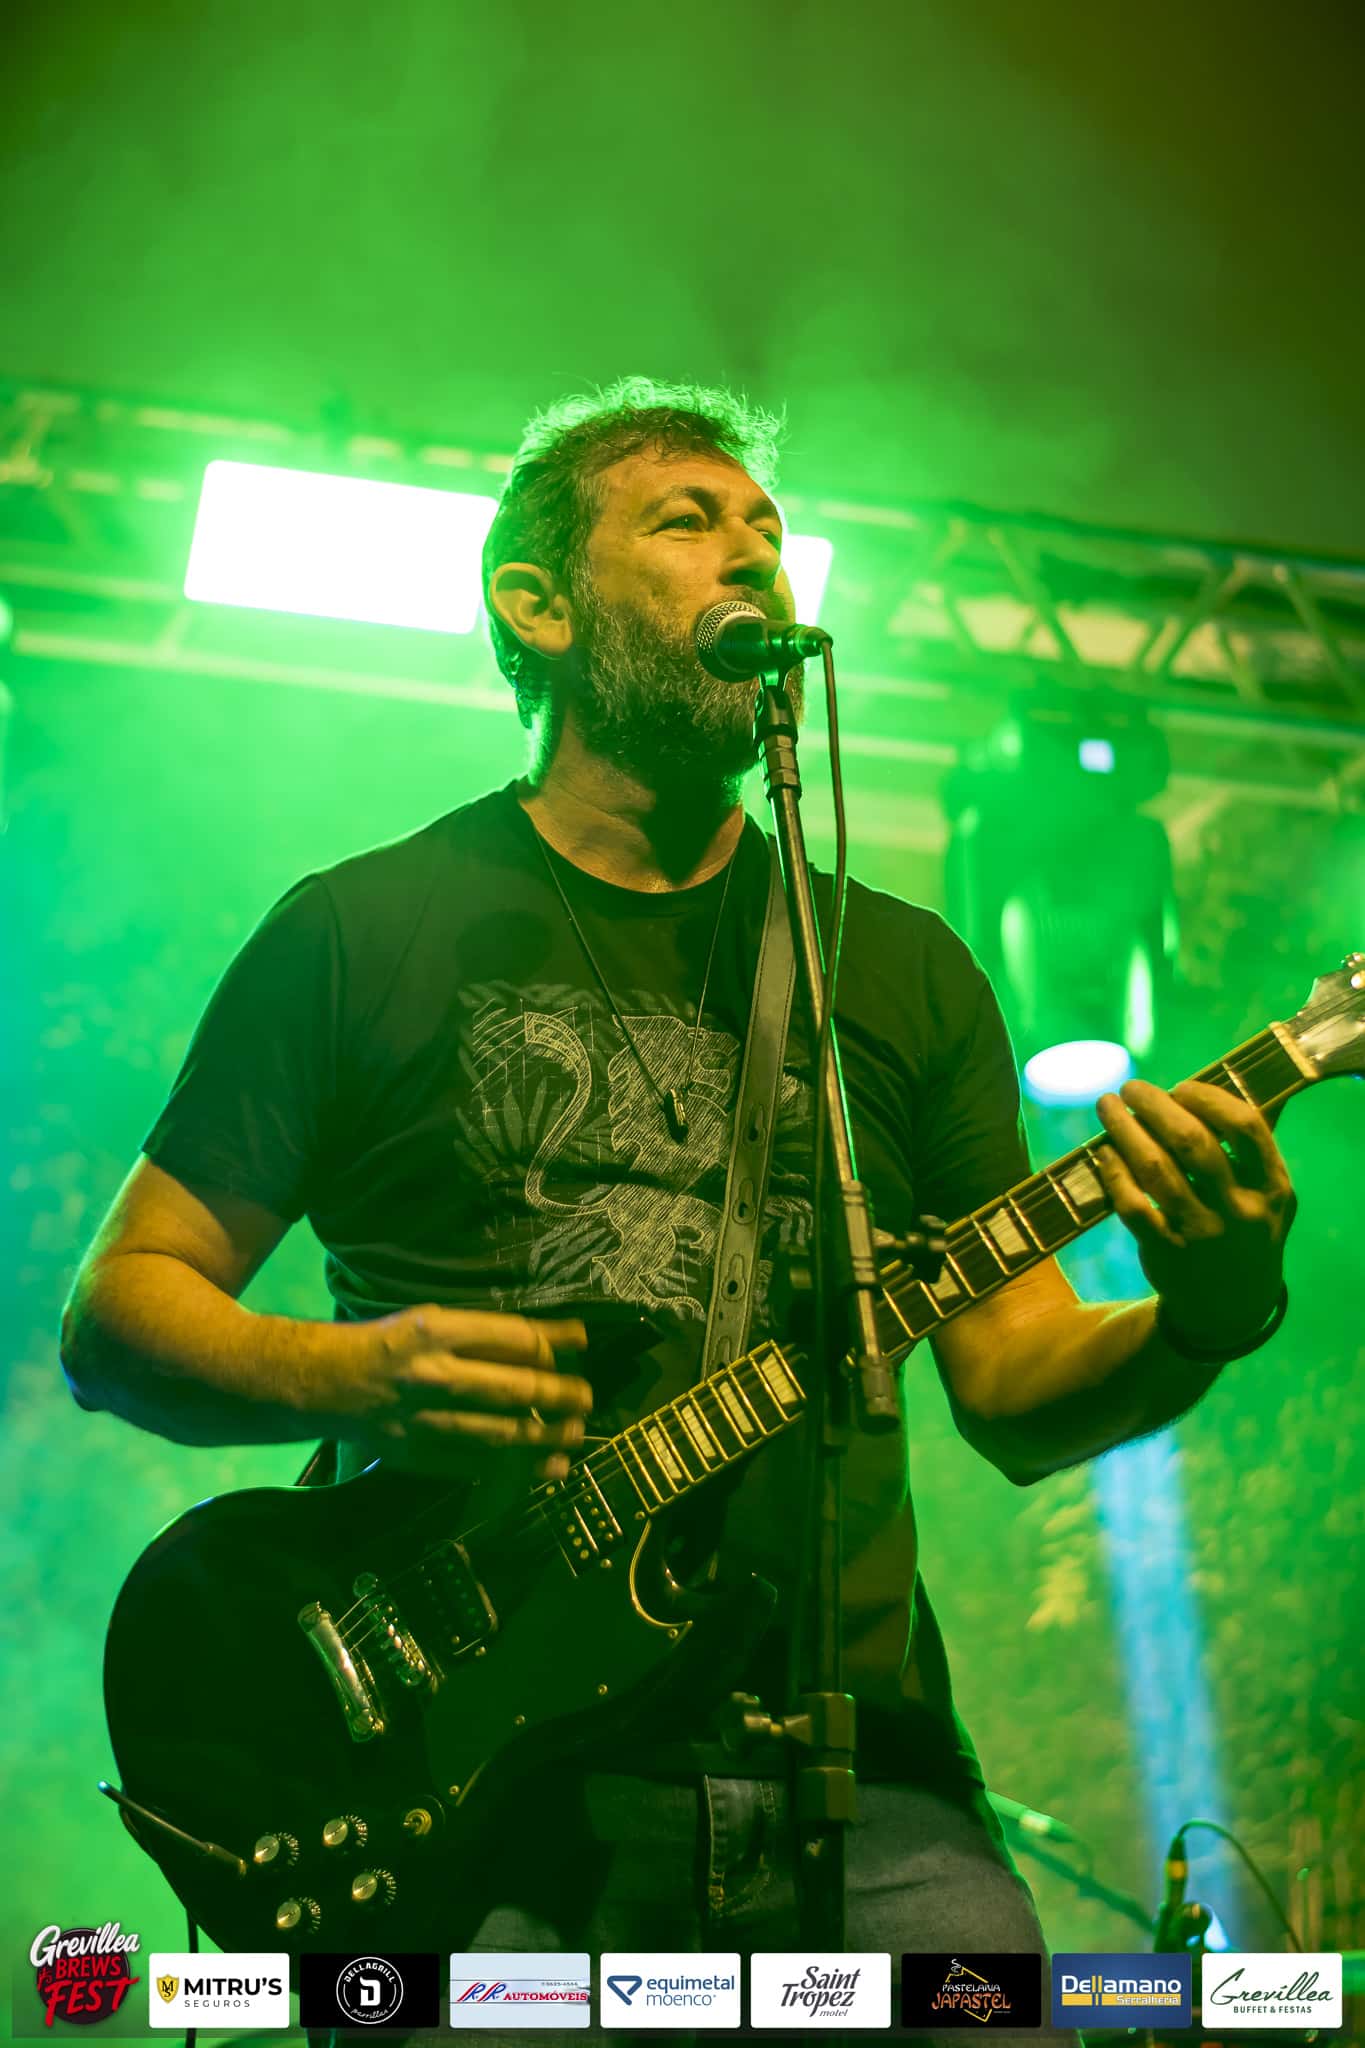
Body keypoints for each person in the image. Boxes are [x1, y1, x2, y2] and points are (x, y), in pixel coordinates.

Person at [61, 376, 1297, 2045]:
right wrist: (357, 1375)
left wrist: (1208, 1307)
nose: (753, 553)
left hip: (861, 1775)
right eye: (687, 519)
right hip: (468, 1768)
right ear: (537, 604)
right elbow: (120, 1315)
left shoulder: (903, 972)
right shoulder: (363, 931)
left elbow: (1013, 1386)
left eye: (768, 528)